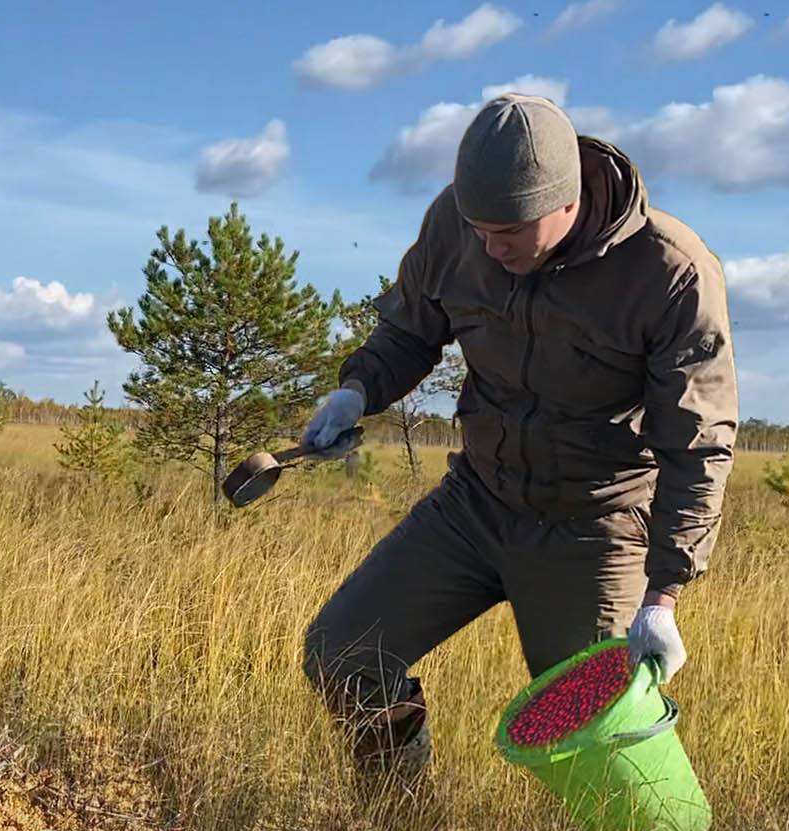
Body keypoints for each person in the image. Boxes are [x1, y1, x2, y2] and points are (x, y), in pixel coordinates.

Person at [299, 92, 737, 784]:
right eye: (477, 227)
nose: (488, 246)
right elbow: (412, 328)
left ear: (566, 203)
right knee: (343, 651)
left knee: (599, 745)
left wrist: (665, 595)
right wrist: (358, 389)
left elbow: (699, 442)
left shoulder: (670, 272)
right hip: (479, 501)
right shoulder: (457, 224)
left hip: (595, 522)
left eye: (508, 232)